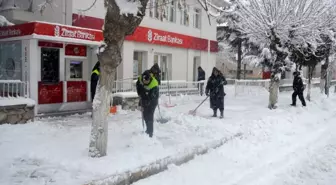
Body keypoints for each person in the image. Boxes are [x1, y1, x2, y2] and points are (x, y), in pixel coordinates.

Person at [136, 70, 159, 138]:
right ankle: (147, 129)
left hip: (153, 100)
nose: (146, 82)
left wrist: (147, 100)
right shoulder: (140, 79)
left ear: (150, 79)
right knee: (145, 115)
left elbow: (151, 96)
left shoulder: (154, 84)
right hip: (144, 97)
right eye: (144, 81)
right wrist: (140, 91)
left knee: (150, 115)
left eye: (147, 81)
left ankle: (150, 132)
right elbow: (137, 85)